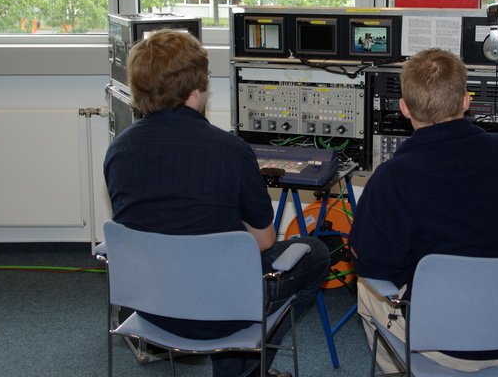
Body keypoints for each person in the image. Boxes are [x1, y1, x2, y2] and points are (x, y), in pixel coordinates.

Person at [103, 30, 330, 377]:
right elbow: (264, 240)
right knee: (317, 252)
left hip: (151, 305)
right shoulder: (231, 151)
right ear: (196, 88)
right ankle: (246, 369)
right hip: (223, 312)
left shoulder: (118, 150)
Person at [348, 47, 498, 374]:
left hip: (446, 345)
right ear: (465, 101)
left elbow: (372, 266)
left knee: (366, 289)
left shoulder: (392, 177)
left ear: (404, 108)